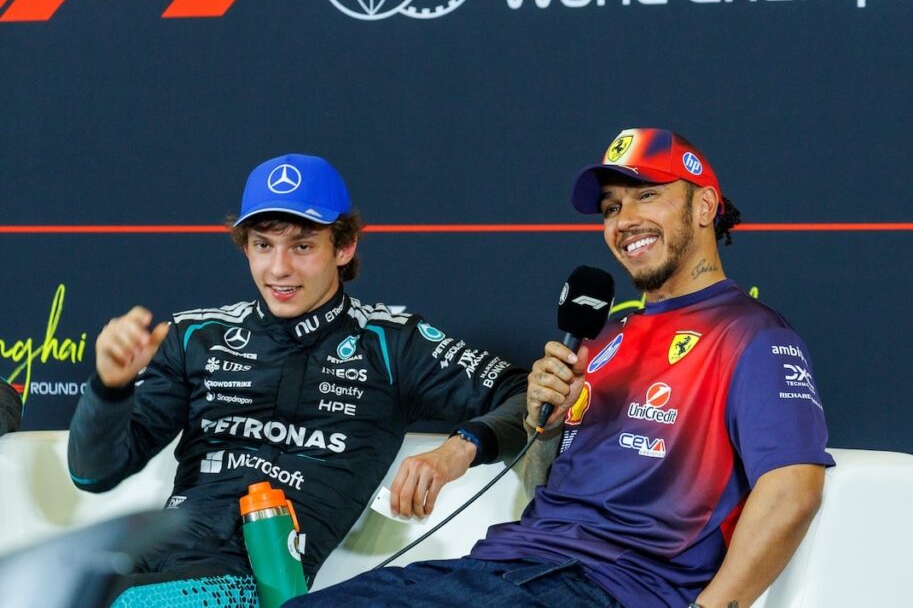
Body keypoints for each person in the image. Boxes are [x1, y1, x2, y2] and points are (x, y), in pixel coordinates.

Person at [290, 128, 833, 608]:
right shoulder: (604, 342)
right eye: (612, 207)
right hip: (505, 568)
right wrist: (543, 426)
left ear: (704, 206)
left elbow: (793, 491)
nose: (625, 220)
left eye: (648, 195)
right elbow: (545, 486)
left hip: (610, 586)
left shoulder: (752, 335)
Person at [67, 153, 527, 607]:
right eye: (263, 245)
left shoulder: (392, 344)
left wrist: (458, 450)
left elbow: (529, 393)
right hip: (136, 572)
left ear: (343, 248)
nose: (279, 269)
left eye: (302, 246)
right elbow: (93, 473)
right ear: (244, 245)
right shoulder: (195, 336)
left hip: (243, 588)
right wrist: (110, 388)